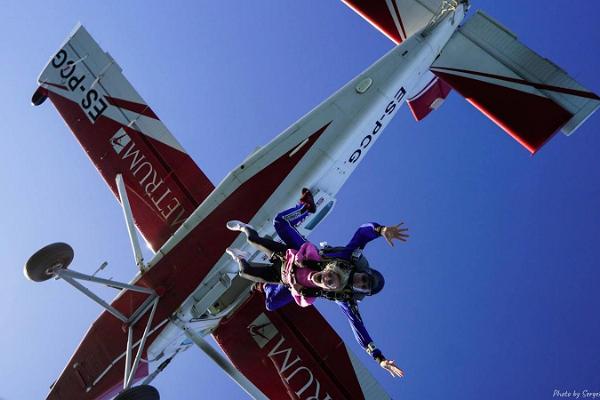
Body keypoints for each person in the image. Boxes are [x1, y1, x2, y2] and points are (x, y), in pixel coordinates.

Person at [225, 189, 409, 377]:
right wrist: (381, 230)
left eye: (363, 286)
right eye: (364, 278)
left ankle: (261, 283)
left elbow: (359, 330)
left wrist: (380, 358)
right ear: (363, 271)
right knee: (280, 223)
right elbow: (362, 233)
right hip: (303, 254)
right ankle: (305, 208)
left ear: (360, 292)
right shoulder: (350, 258)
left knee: (271, 303)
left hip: (296, 280)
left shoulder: (346, 298)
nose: (360, 281)